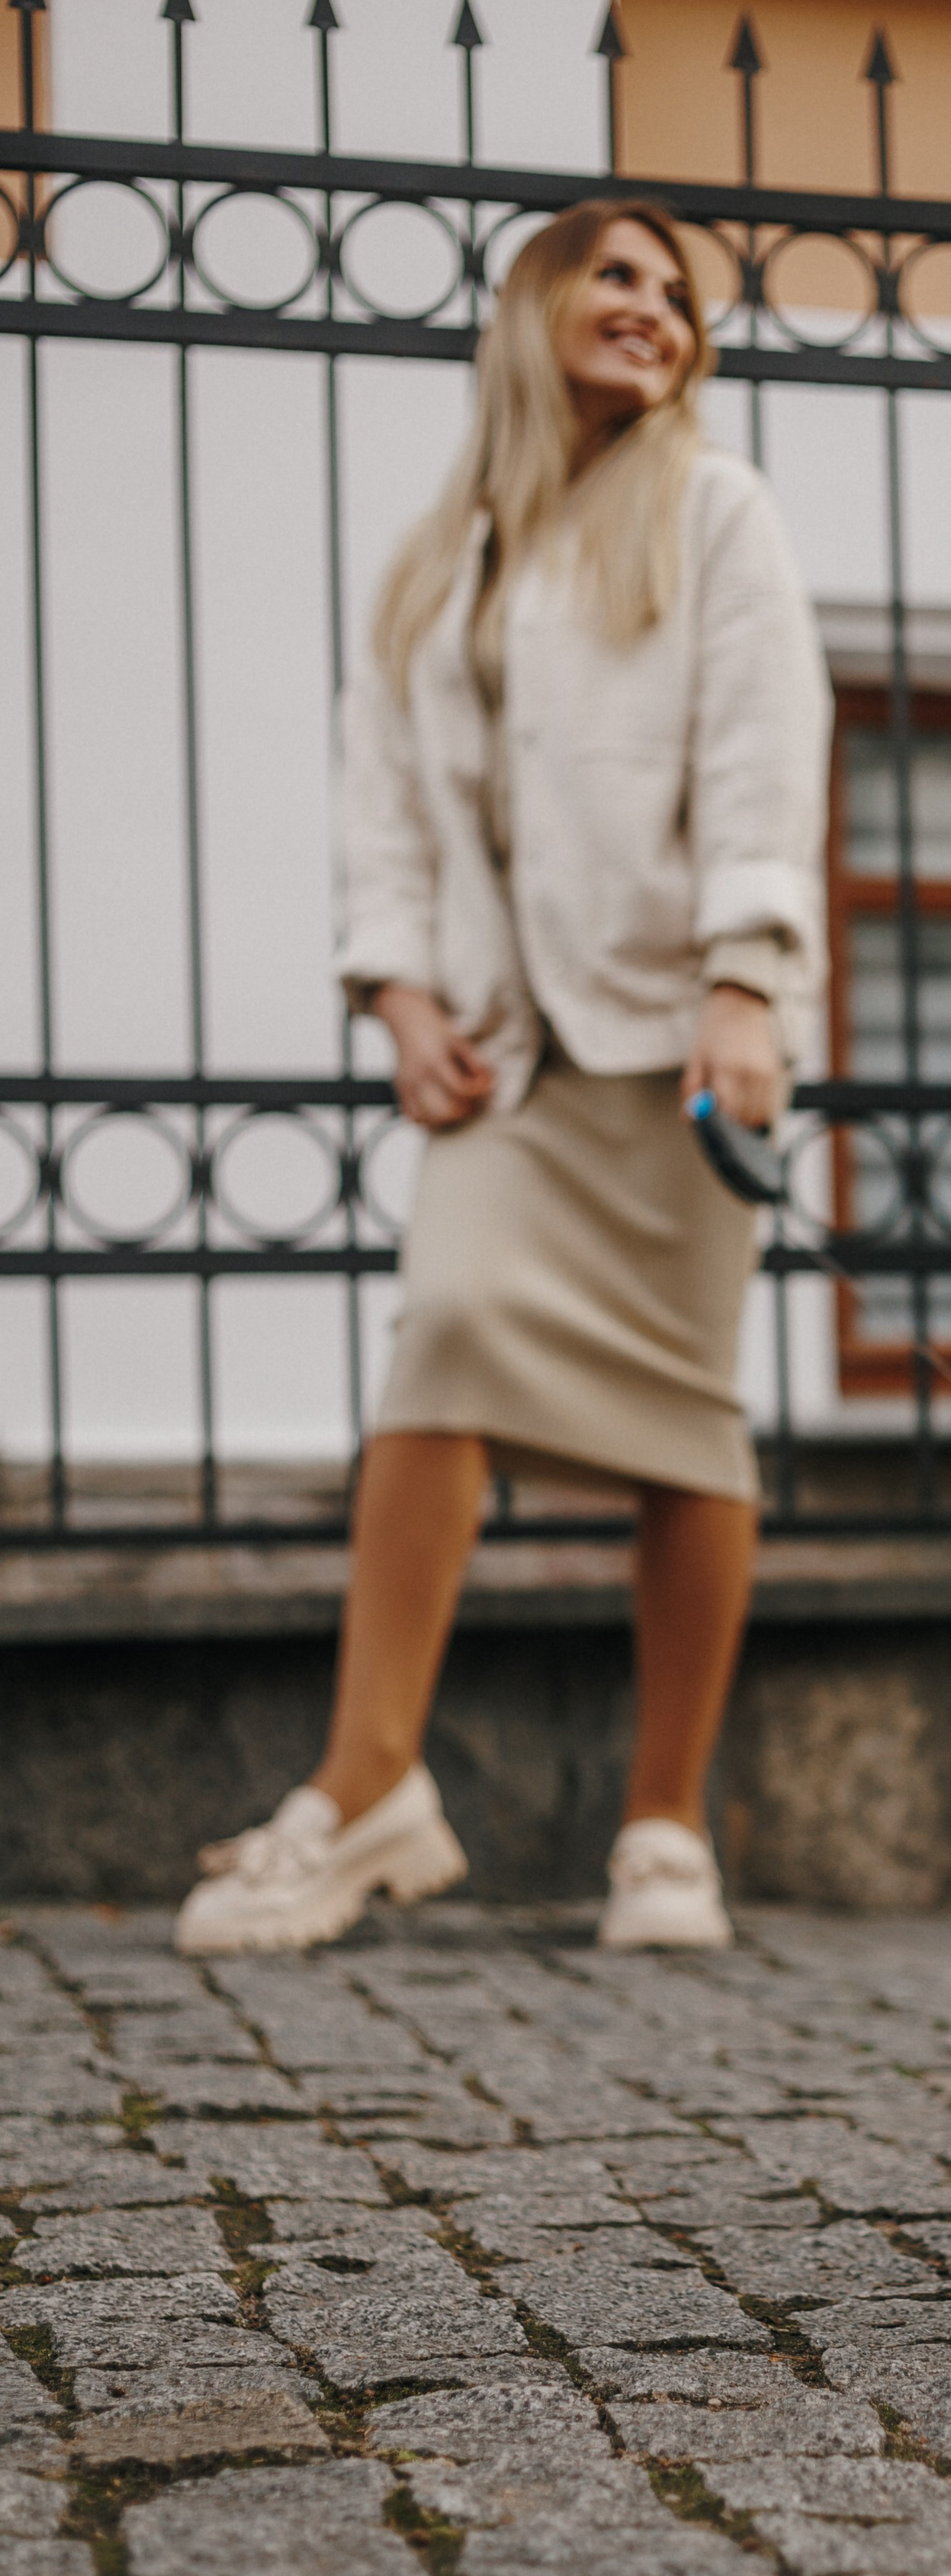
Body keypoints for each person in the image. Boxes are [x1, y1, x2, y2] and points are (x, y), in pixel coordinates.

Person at [175, 201, 831, 1957]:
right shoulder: (434, 559)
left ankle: (664, 1829)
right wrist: (394, 996)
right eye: (617, 276)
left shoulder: (712, 511)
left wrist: (746, 982)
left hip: (687, 1038)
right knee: (442, 1341)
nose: (653, 311)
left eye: (679, 295)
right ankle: (370, 1784)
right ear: (533, 303)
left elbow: (767, 755)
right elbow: (377, 803)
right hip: (507, 1060)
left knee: (686, 1416)